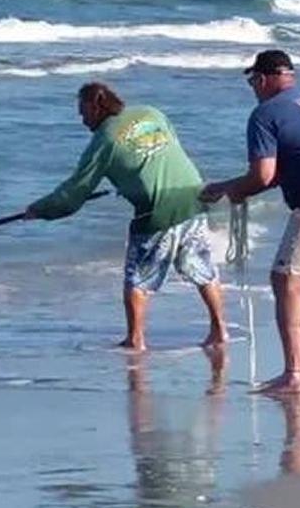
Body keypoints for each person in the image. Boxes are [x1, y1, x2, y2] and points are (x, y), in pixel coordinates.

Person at [25, 82, 227, 351]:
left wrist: (40, 209)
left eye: (83, 111)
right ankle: (220, 329)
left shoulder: (104, 141)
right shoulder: (150, 113)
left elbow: (74, 193)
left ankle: (135, 339)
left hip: (158, 210)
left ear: (96, 107)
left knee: (138, 278)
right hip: (193, 196)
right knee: (200, 267)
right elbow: (168, 150)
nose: (81, 119)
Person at [202, 49, 300, 396]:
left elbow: (262, 175)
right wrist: (229, 187)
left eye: (252, 81)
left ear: (262, 79)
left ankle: (294, 375)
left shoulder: (265, 114)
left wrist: (231, 190)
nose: (253, 88)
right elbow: (287, 167)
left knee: (286, 278)